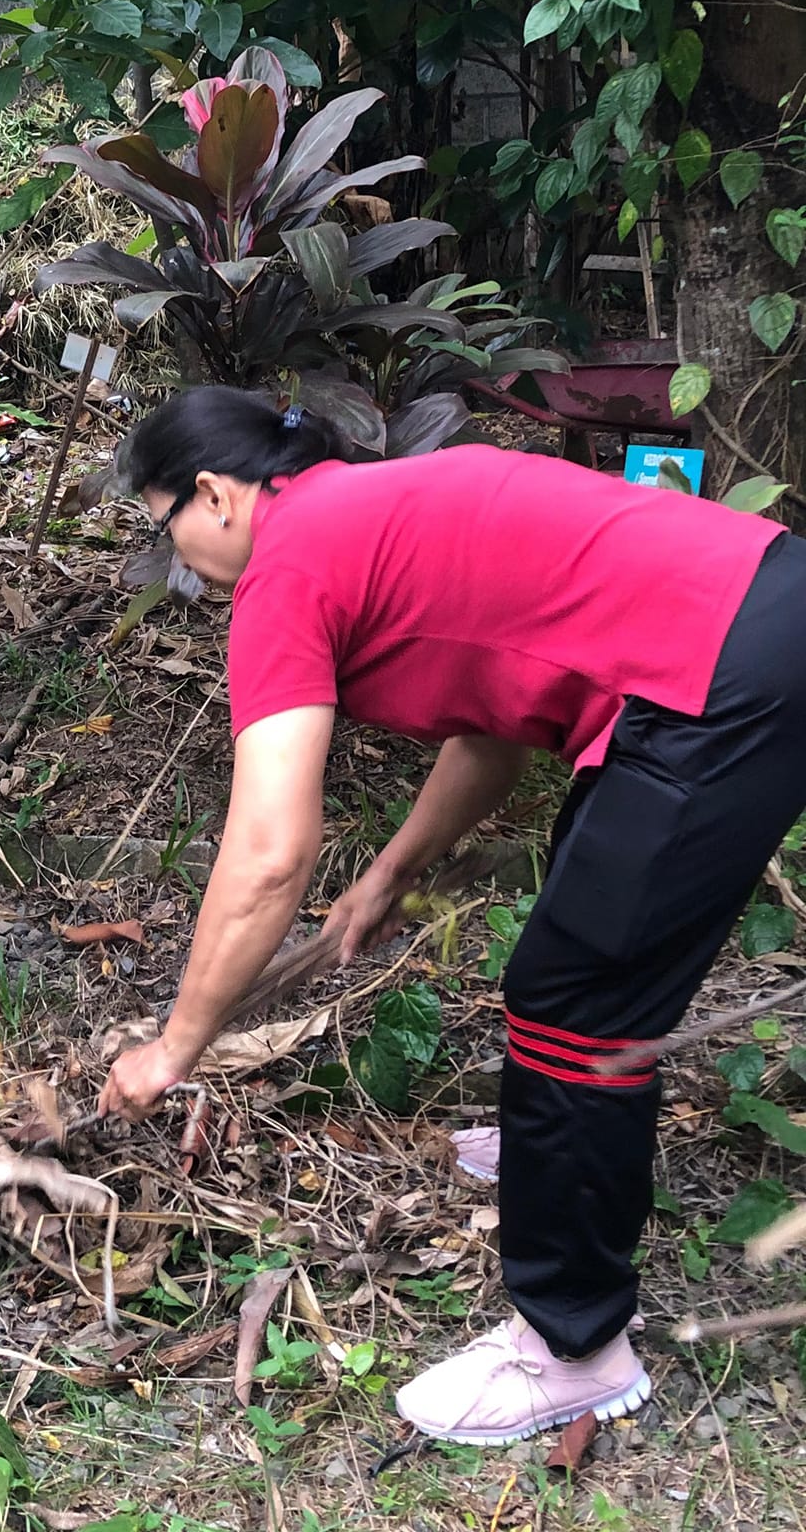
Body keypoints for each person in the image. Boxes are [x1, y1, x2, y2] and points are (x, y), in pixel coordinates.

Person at [96, 385, 806, 1445]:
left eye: (167, 528)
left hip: (717, 674)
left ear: (213, 493)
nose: (181, 560)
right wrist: (393, 868)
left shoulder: (288, 565)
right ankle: (551, 1145)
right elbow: (496, 725)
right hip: (746, 620)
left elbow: (267, 853)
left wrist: (173, 1046)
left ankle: (576, 1346)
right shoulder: (366, 511)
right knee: (585, 927)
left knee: (576, 999)